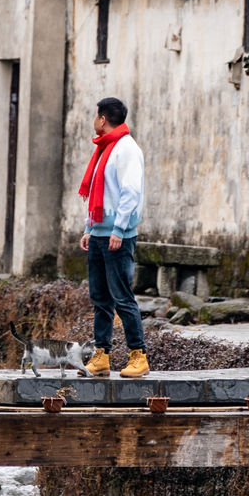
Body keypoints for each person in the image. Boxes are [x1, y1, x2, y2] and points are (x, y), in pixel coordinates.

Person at [79, 97, 149, 378]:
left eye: (96, 116)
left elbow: (130, 192)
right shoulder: (104, 149)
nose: (94, 120)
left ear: (103, 119)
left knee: (122, 296)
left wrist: (119, 230)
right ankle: (101, 355)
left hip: (117, 236)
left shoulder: (126, 150)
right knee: (100, 298)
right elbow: (100, 193)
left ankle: (138, 355)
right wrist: (89, 227)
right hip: (99, 233)